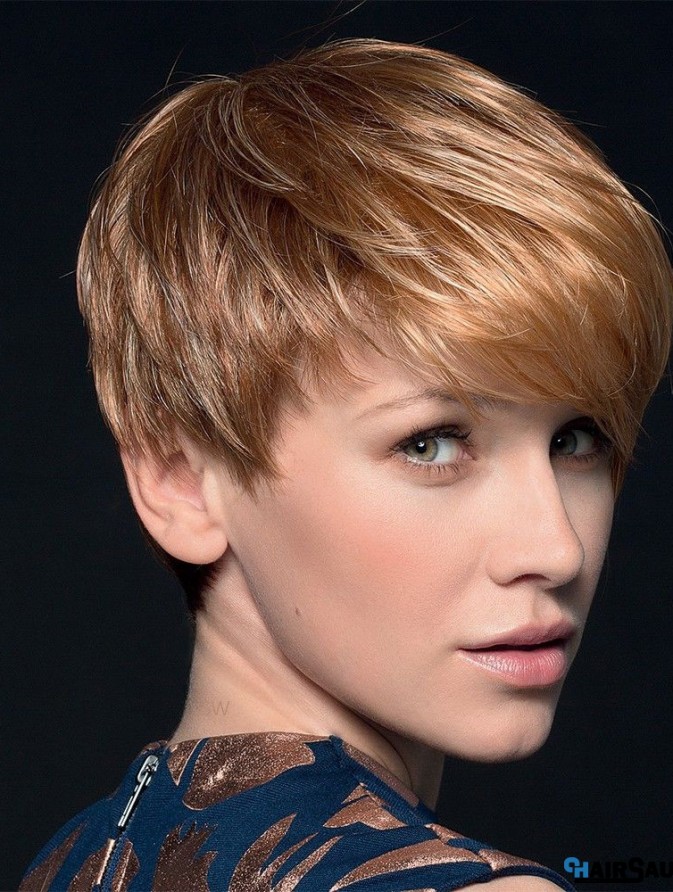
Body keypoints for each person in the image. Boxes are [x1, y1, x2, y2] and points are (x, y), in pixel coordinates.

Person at [20, 37, 672, 892]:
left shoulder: (72, 865)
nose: (556, 549)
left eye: (576, 437)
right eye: (430, 444)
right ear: (181, 483)